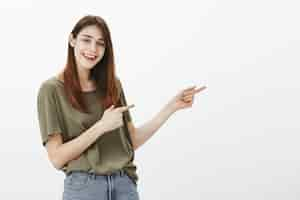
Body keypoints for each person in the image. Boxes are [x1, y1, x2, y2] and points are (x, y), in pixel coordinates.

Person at [37, 15, 206, 200]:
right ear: (72, 40)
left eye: (100, 43)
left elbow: (131, 140)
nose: (93, 49)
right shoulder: (51, 90)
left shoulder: (112, 84)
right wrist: (101, 126)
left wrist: (172, 107)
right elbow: (56, 158)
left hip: (123, 185)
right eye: (86, 40)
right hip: (84, 189)